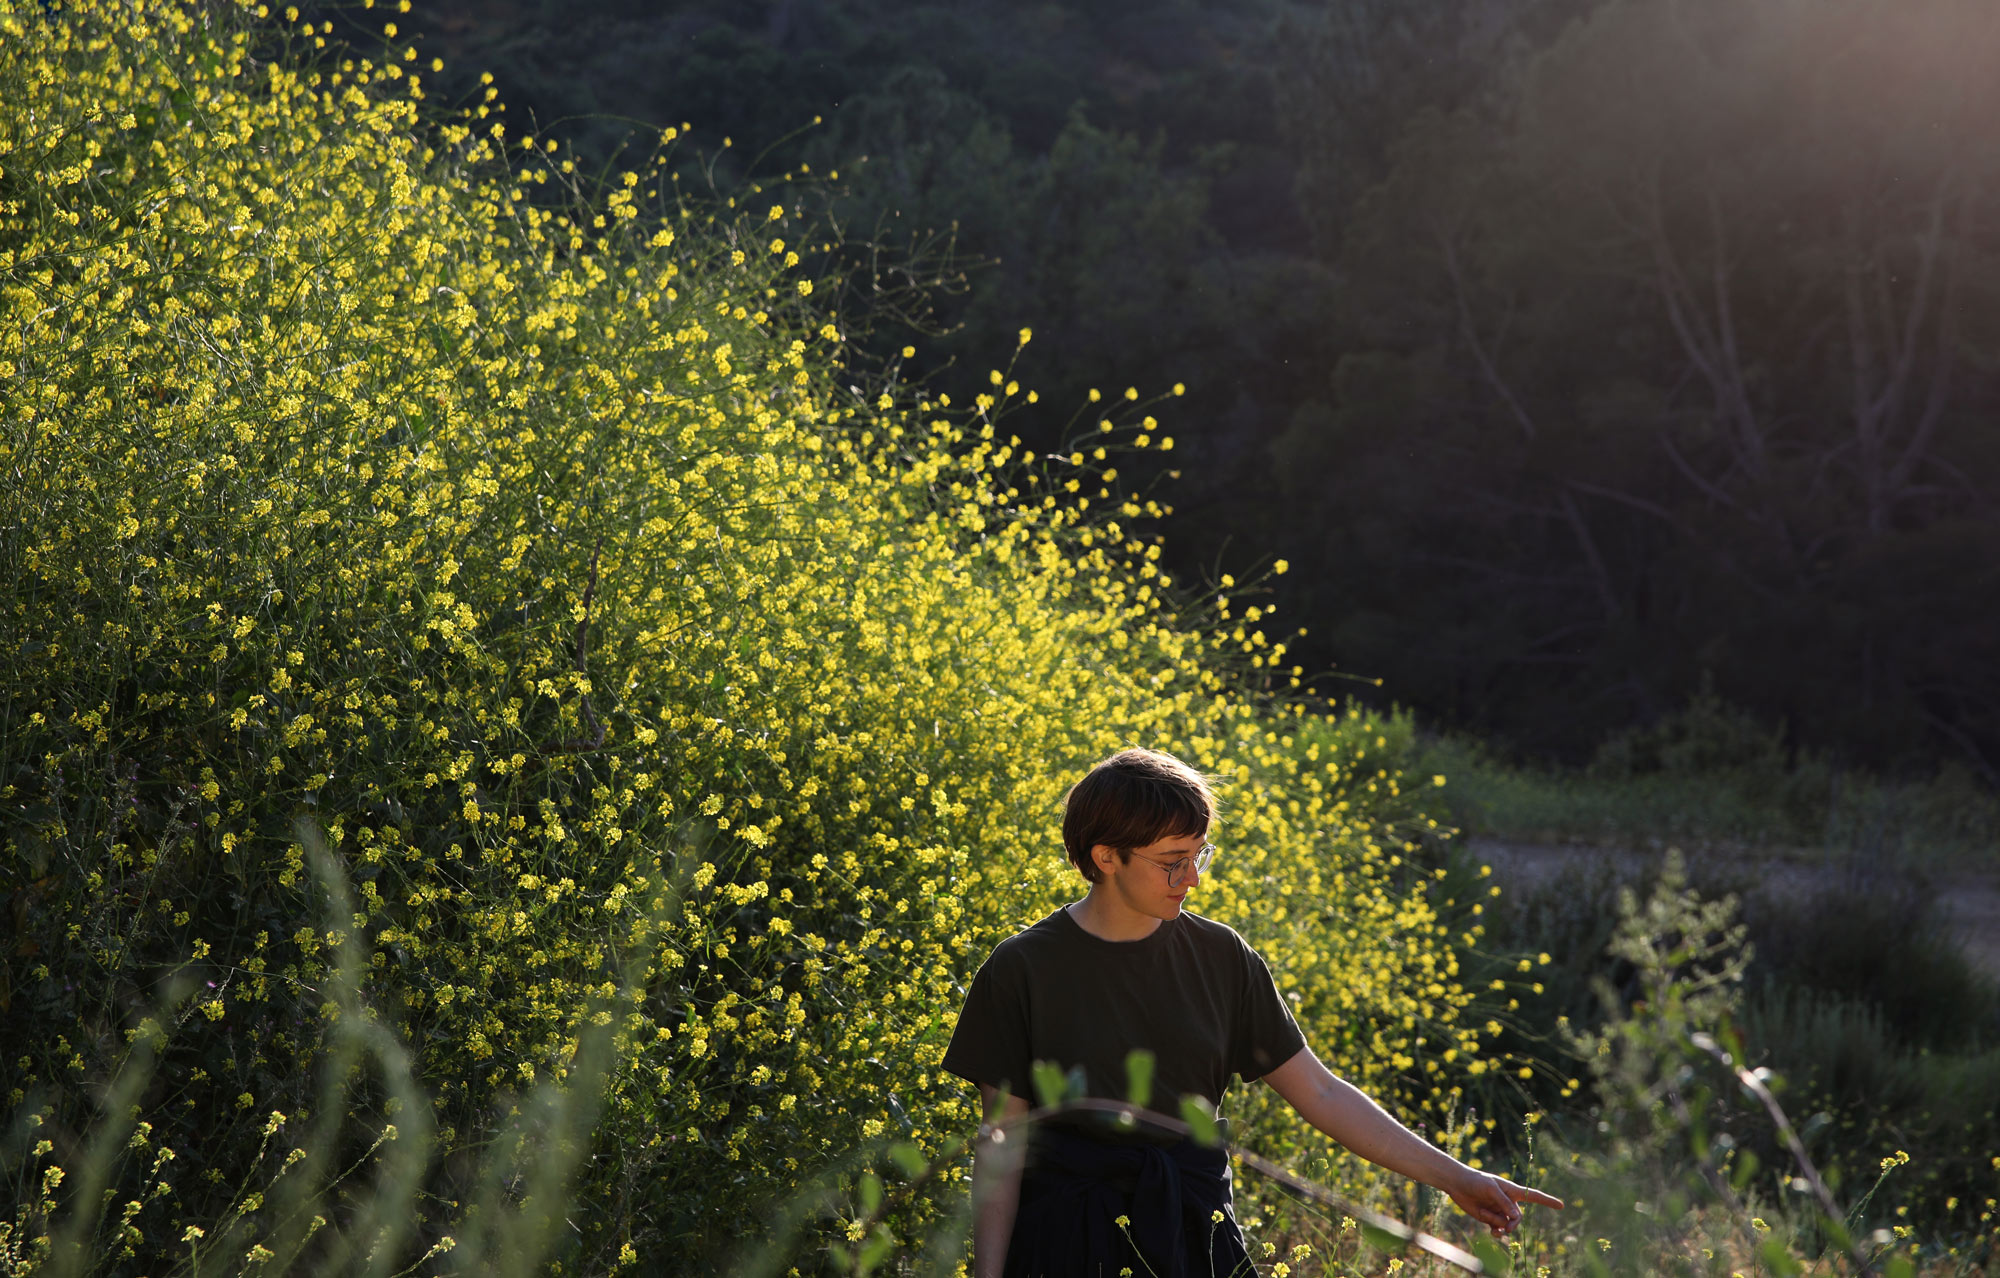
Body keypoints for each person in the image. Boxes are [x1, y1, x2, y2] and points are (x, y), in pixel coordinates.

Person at [941, 747, 1561, 1278]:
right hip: (1068, 1246)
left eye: (1199, 855)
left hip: (1197, 1236)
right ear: (1106, 857)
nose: (1192, 878)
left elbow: (1319, 1091)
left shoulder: (1221, 956)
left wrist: (1455, 1177)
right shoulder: (1022, 967)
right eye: (1172, 861)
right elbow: (1001, 1143)